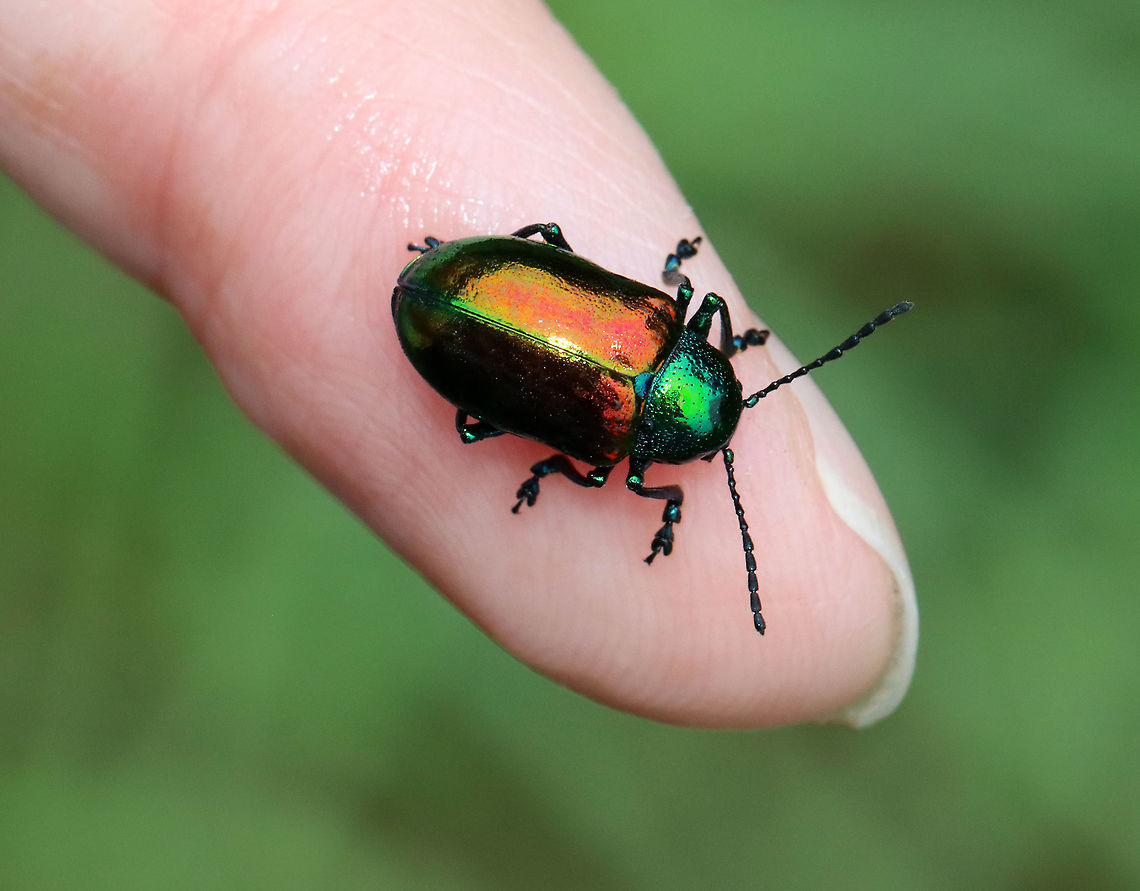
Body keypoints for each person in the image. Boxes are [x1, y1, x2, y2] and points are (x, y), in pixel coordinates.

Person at [0, 0, 915, 727]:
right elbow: (626, 444)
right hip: (462, 288)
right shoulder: (617, 445)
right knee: (504, 426)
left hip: (469, 291)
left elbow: (637, 283)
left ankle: (455, 266)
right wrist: (655, 499)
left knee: (521, 327)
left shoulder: (663, 318)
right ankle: (463, 291)